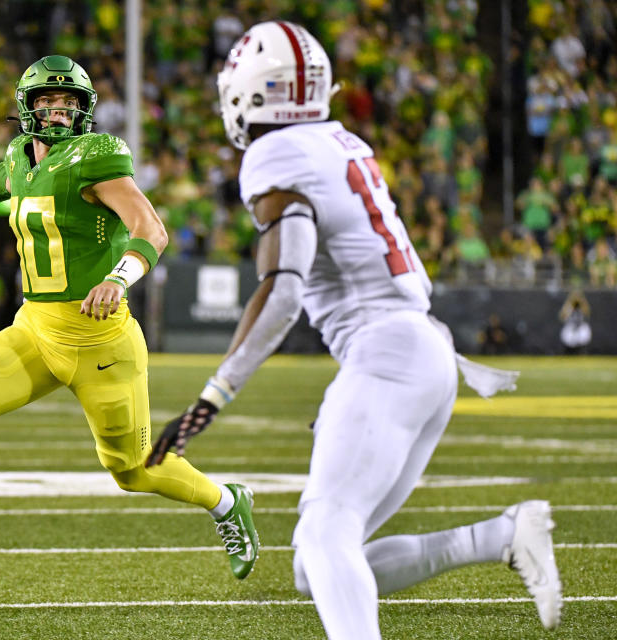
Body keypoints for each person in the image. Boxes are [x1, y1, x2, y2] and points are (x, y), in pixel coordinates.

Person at [145, 22, 562, 638]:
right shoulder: (340, 142)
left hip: (389, 354)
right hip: (418, 352)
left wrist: (214, 395)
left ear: (259, 91)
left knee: (324, 530)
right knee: (319, 564)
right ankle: (501, 534)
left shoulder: (275, 154)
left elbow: (284, 288)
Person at [0, 55, 258, 579]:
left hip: (100, 341)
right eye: (48, 101)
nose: (58, 111)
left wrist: (117, 278)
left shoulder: (95, 156)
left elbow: (152, 228)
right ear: (28, 108)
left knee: (131, 471)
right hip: (34, 329)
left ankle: (226, 502)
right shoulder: (19, 156)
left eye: (69, 102)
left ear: (85, 110)